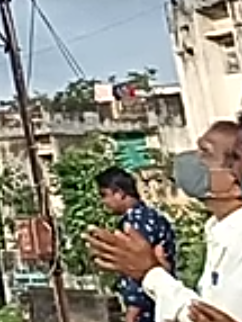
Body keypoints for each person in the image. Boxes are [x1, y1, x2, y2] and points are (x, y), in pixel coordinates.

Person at [90, 121, 242, 322]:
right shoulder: (218, 229)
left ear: (235, 181)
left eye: (205, 152)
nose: (192, 159)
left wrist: (149, 273)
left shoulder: (138, 221)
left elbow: (204, 315)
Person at [94, 166, 178, 322]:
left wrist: (133, 311)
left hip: (148, 307)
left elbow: (141, 268)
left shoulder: (137, 223)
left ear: (119, 193)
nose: (103, 202)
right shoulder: (148, 216)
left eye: (104, 195)